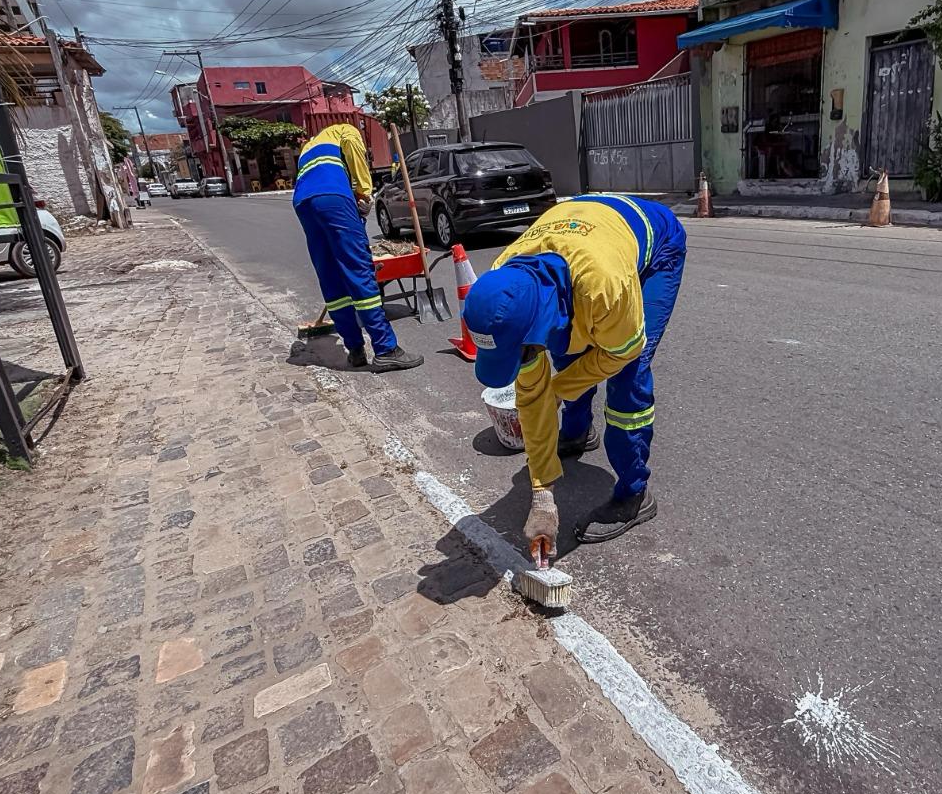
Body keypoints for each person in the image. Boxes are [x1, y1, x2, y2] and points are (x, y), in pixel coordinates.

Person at [462, 194, 685, 552]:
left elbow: (622, 350)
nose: (521, 362)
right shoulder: (504, 279)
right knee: (567, 351)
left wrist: (558, 388)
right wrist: (542, 495)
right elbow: (533, 396)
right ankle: (578, 432)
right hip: (584, 226)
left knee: (629, 374)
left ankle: (634, 493)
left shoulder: (604, 288)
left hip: (654, 240)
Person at [293, 123, 422, 372]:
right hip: (332, 196)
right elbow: (353, 149)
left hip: (303, 202)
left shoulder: (311, 146)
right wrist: (364, 193)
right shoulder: (344, 129)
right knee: (358, 269)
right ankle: (385, 349)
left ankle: (354, 349)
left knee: (330, 273)